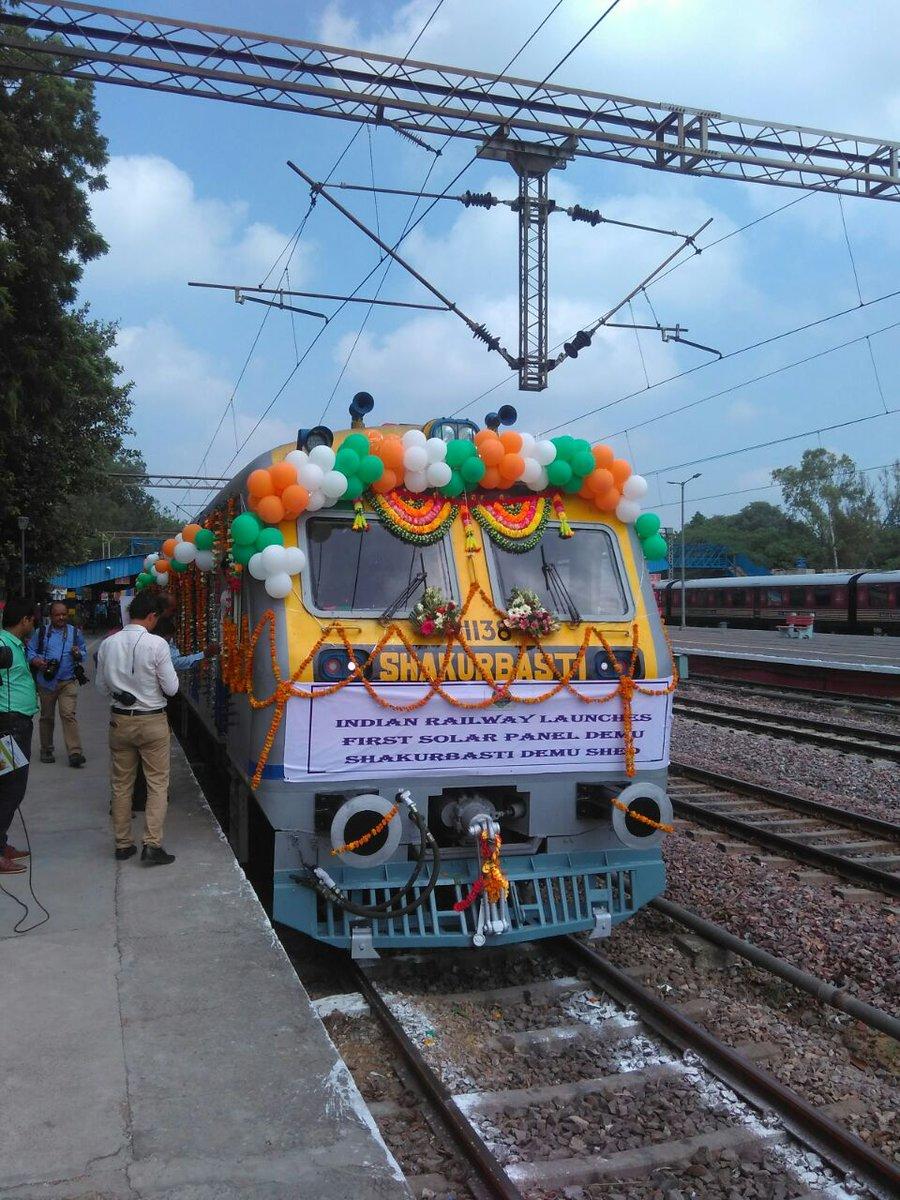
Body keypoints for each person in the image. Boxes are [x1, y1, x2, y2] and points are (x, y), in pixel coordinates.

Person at [95, 590, 179, 865]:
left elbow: (101, 687)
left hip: (120, 721)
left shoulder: (108, 644)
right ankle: (152, 845)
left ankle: (122, 845)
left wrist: (121, 691)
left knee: (121, 784)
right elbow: (172, 688)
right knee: (157, 784)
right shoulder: (157, 644)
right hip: (152, 721)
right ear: (152, 616)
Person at [0, 597, 38, 875]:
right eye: (32, 620)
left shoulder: (14, 644)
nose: (33, 625)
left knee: (10, 787)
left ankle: (2, 844)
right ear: (24, 620)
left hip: (17, 723)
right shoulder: (3, 645)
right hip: (8, 726)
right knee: (10, 788)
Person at [27, 600, 88, 767]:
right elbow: (30, 651)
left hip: (68, 681)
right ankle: (46, 749)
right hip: (46, 682)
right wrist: (36, 660)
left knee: (68, 715)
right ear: (51, 616)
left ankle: (75, 753)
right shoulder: (41, 633)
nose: (61, 617)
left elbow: (83, 652)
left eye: (64, 614)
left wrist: (78, 653)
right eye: (57, 615)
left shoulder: (75, 633)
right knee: (47, 717)